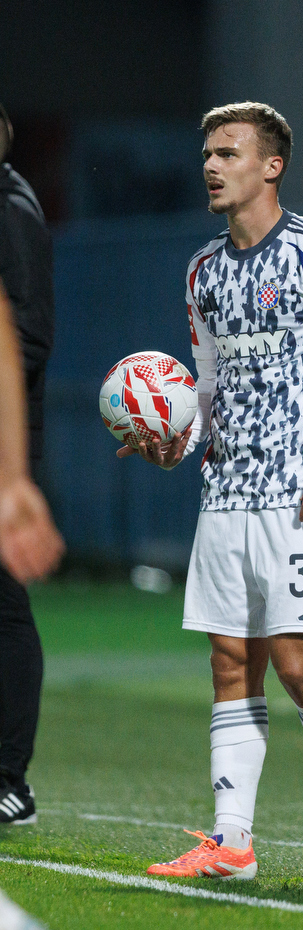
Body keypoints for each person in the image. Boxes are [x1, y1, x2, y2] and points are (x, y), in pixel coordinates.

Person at [125, 102, 303, 882]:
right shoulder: (203, 271)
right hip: (227, 495)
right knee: (230, 663)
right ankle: (231, 839)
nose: (211, 164)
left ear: (270, 166)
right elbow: (207, 387)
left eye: (228, 152)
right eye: (207, 152)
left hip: (302, 494)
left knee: (301, 667)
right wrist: (180, 440)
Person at [0, 106, 58, 827]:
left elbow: (28, 337)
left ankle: (10, 777)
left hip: (5, 448)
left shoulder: (11, 208)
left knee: (3, 606)